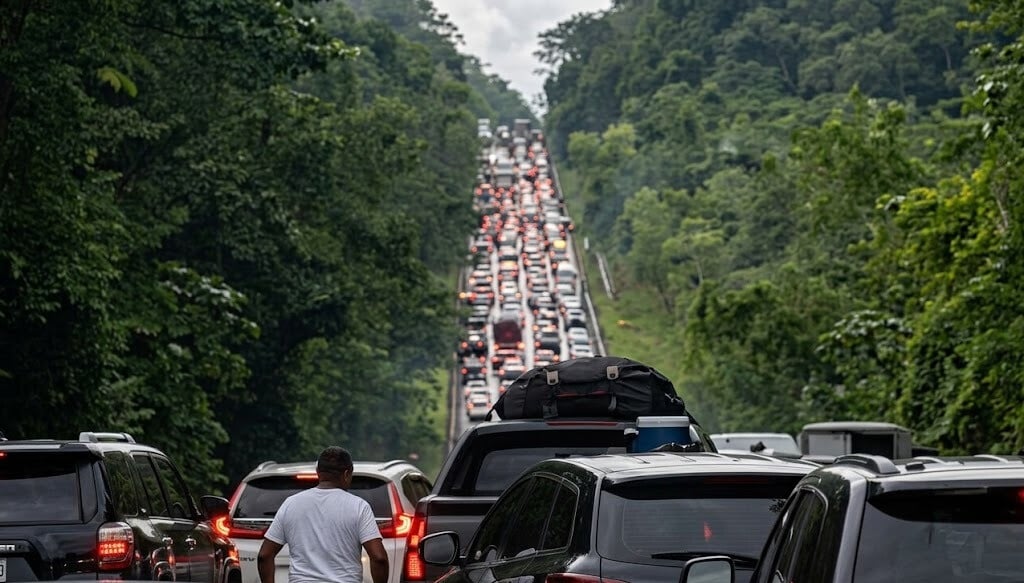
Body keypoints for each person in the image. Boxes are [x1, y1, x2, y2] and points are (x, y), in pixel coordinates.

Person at [257, 447, 389, 583]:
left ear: (318, 473)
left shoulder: (291, 504)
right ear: (346, 474)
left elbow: (264, 555)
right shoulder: (359, 507)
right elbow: (379, 558)